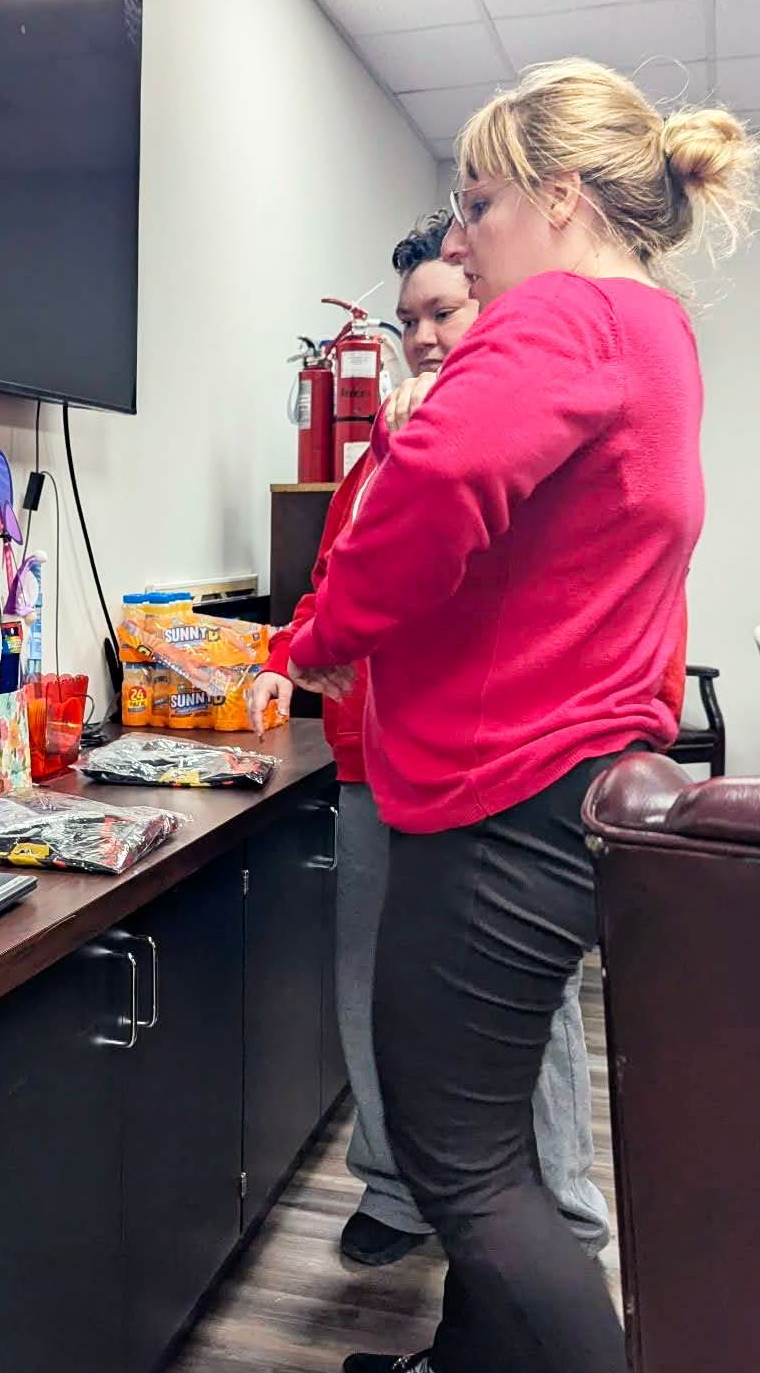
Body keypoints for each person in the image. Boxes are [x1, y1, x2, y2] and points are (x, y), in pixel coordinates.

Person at [285, 58, 760, 1373]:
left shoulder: (558, 314)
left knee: (464, 1161)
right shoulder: (654, 331)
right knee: (484, 1143)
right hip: (571, 778)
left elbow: (430, 480)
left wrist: (320, 633)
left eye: (478, 203)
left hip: (503, 793)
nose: (461, 240)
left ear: (557, 197)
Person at [254, 216, 610, 1271]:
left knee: (522, 1002)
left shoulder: (521, 424)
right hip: (370, 762)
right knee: (369, 986)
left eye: (442, 311)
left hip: (486, 770)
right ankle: (394, 1188)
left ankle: (567, 1222)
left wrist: (433, 439)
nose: (419, 337)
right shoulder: (373, 455)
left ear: (492, 305)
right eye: (405, 320)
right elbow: (333, 586)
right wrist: (296, 651)